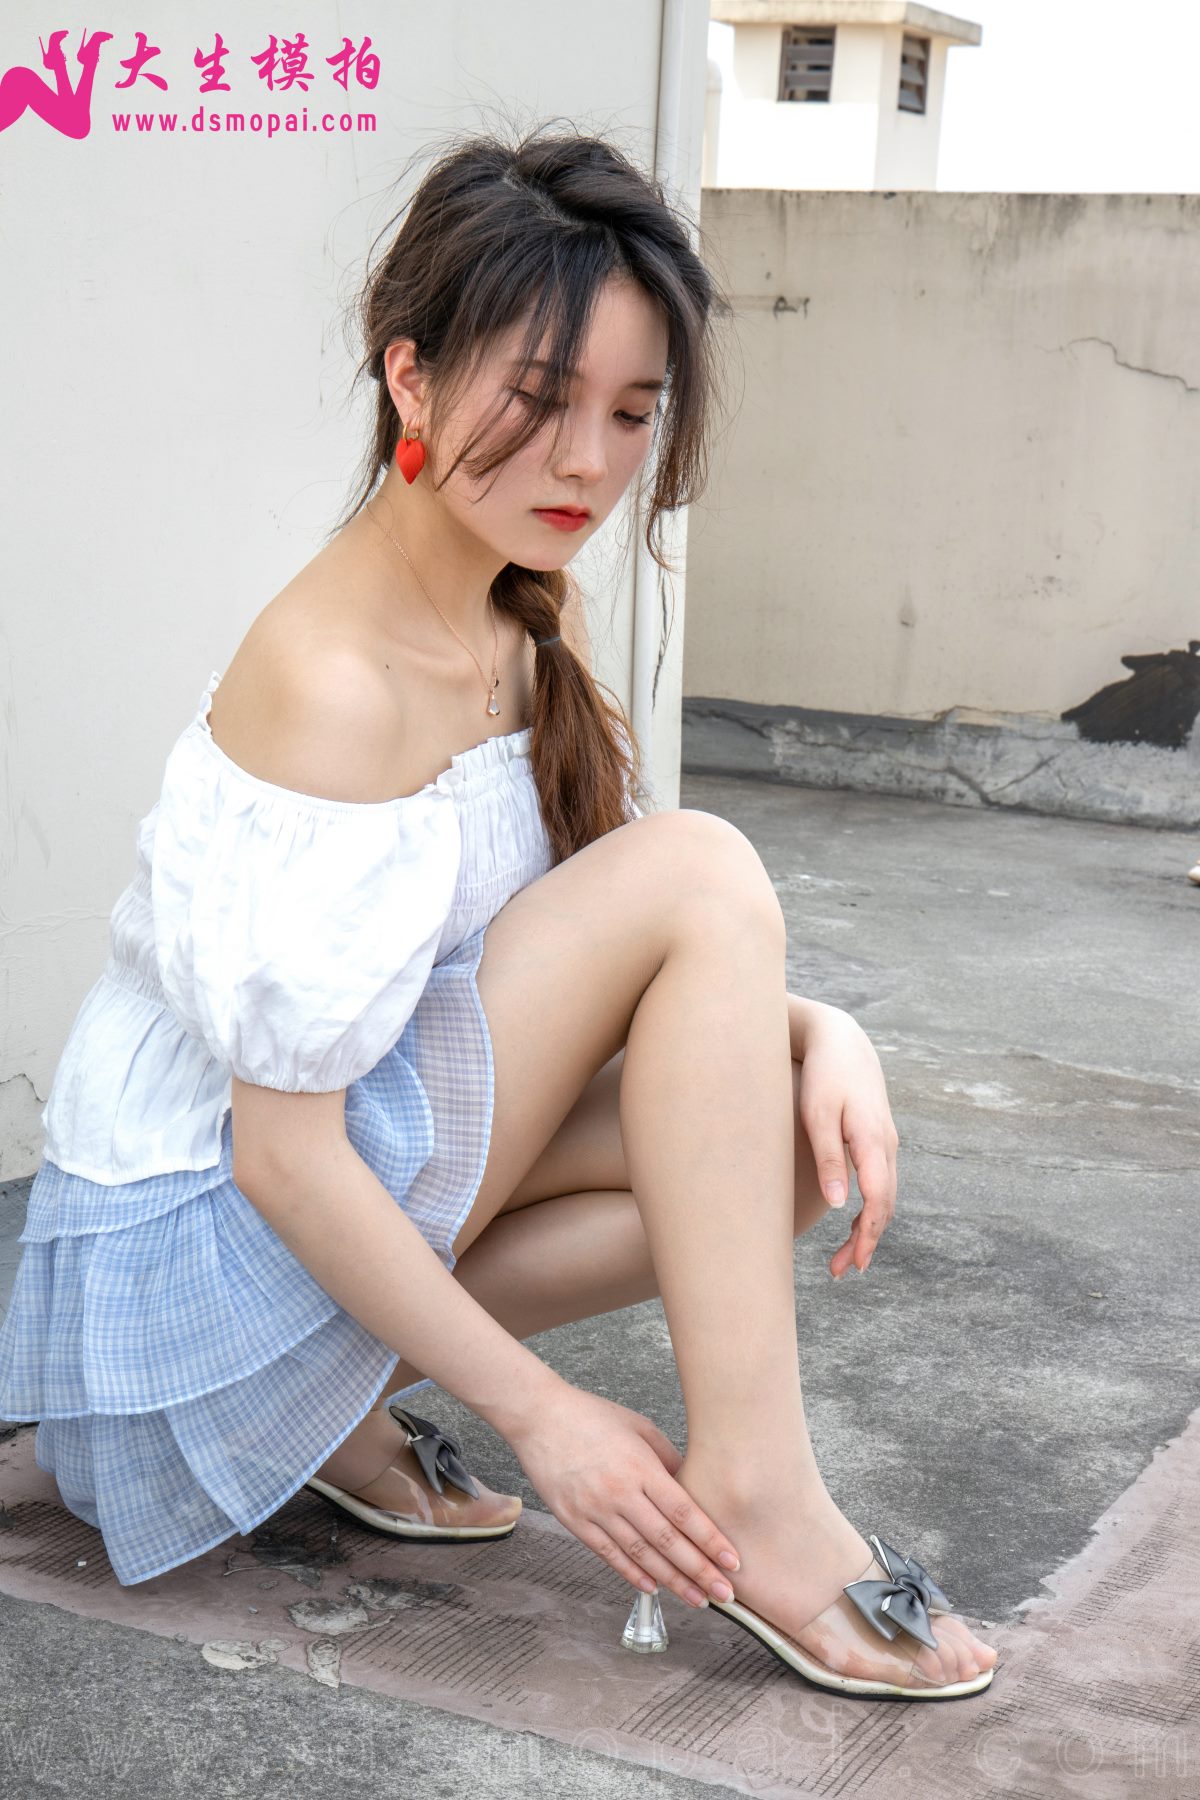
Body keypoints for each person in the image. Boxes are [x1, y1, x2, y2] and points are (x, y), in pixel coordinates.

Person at [0, 125, 996, 1700]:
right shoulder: (334, 682)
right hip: (193, 1276)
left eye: (630, 413)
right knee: (701, 867)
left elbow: (618, 977)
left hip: (315, 1228)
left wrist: (825, 1035)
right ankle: (760, 1500)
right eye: (539, 400)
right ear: (409, 378)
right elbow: (281, 1155)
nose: (588, 464)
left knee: (766, 1153)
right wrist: (546, 1411)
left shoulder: (508, 621)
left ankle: (332, 1411)